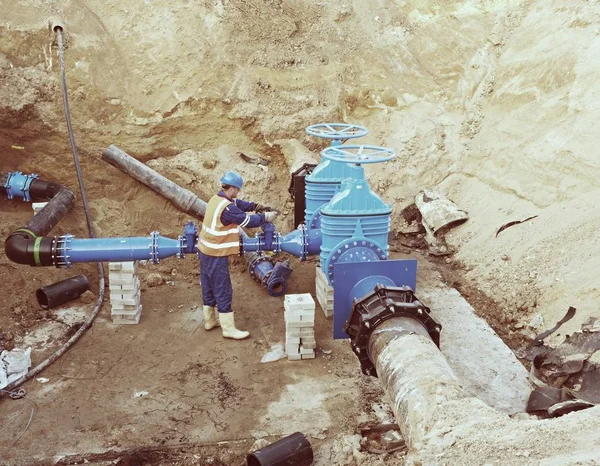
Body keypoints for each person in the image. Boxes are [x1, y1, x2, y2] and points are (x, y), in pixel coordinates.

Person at [198, 170, 278, 340]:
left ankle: (210, 320)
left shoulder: (217, 199)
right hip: (215, 252)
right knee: (222, 287)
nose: (238, 192)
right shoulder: (227, 209)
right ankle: (228, 328)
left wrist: (255, 206)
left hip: (205, 250)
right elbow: (248, 221)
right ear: (233, 188)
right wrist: (266, 217)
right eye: (238, 189)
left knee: (208, 285)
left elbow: (238, 204)